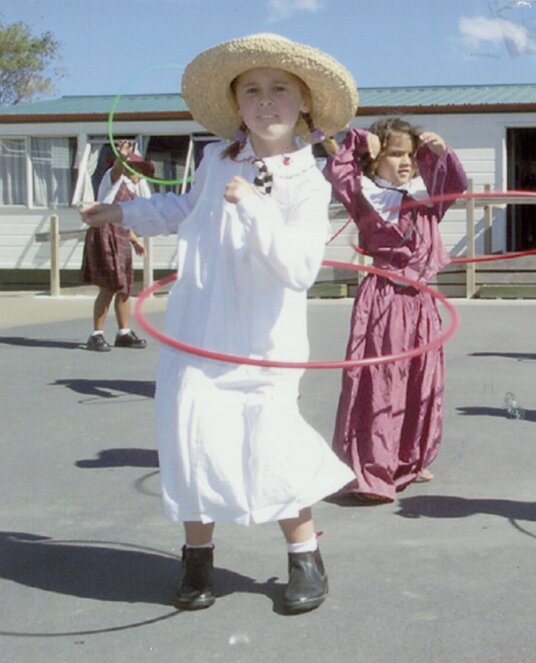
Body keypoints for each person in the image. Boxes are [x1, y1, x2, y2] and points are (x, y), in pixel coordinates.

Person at [80, 33, 359, 613]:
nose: (265, 101)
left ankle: (304, 555)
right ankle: (196, 558)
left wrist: (255, 207)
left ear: (304, 102)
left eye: (280, 89)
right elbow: (185, 208)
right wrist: (124, 211)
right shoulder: (217, 159)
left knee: (273, 444)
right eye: (251, 90)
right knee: (191, 443)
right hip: (198, 330)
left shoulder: (308, 182)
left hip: (262, 340)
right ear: (236, 105)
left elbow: (300, 267)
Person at [323, 117, 468, 504]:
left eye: (409, 155)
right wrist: (358, 142)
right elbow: (338, 170)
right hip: (385, 298)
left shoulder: (424, 197)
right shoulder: (364, 193)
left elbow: (455, 183)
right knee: (382, 381)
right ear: (374, 159)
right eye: (393, 154)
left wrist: (441, 152)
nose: (405, 162)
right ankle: (372, 471)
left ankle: (407, 459)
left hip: (421, 301)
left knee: (420, 380)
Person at [80, 140, 151, 352]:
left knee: (124, 287)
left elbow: (124, 218)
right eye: (137, 168)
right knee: (109, 286)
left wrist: (135, 240)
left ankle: (124, 332)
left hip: (121, 235)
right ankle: (97, 334)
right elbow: (118, 170)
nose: (140, 174)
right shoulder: (113, 179)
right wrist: (122, 158)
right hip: (105, 234)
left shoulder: (133, 189)